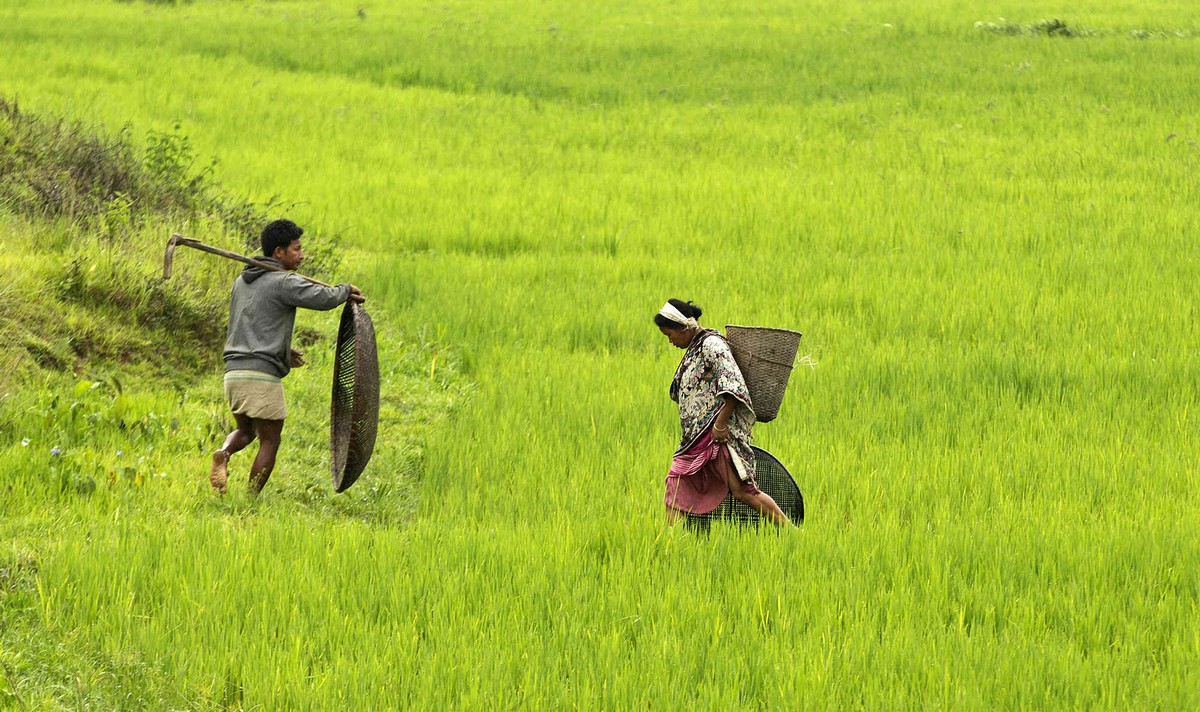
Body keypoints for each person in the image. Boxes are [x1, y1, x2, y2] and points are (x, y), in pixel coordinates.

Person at [210, 219, 365, 494]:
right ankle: (250, 500)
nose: (301, 256)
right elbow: (322, 299)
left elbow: (251, 325)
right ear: (278, 253)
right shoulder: (283, 281)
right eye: (296, 249)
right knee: (271, 439)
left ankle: (223, 453)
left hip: (233, 372)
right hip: (261, 376)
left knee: (246, 430)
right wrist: (345, 290)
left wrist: (281, 350)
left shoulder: (241, 282)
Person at [656, 298, 789, 526]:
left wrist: (719, 425)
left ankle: (792, 532)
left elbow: (733, 385)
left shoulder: (712, 345)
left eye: (670, 335)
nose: (670, 341)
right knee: (675, 485)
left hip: (716, 437)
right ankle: (674, 546)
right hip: (695, 440)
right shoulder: (696, 346)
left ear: (683, 327)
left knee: (744, 491)